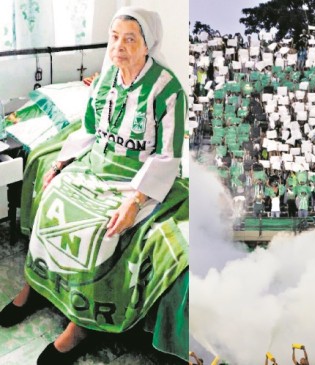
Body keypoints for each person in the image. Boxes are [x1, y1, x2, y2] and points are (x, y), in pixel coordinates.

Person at [0, 7, 187, 364]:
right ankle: (35, 287)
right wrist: (61, 161)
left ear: (148, 44)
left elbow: (168, 156)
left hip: (136, 180)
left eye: (130, 38)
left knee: (105, 228)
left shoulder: (168, 88)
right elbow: (87, 129)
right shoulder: (104, 80)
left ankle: (81, 325)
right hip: (95, 166)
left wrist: (135, 201)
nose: (118, 46)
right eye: (115, 37)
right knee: (52, 194)